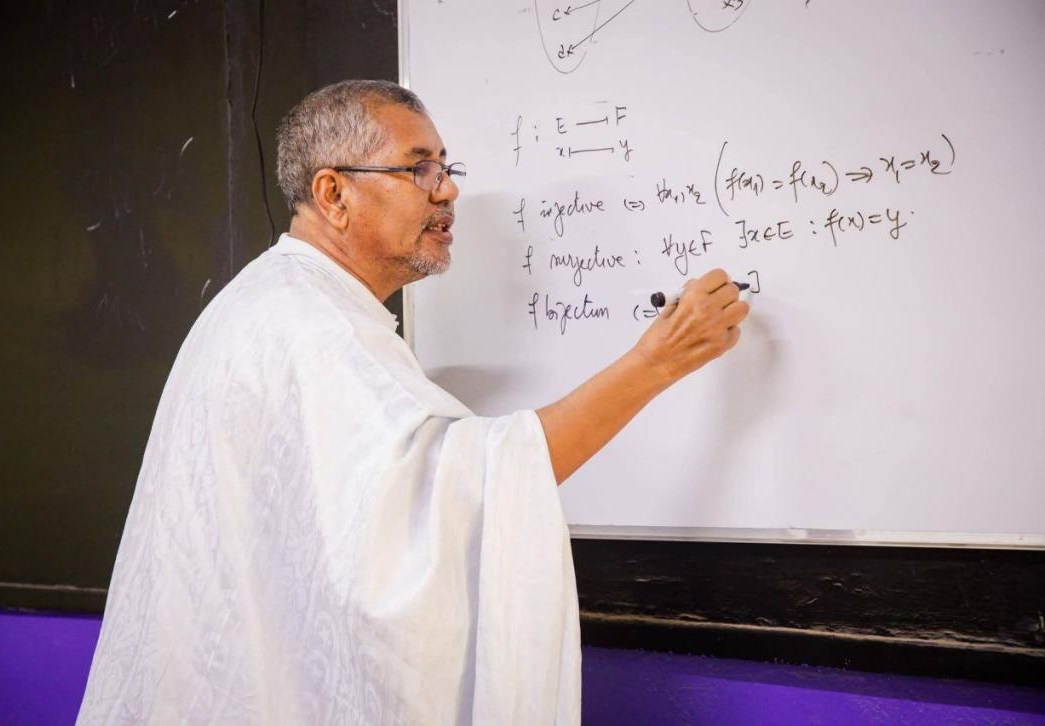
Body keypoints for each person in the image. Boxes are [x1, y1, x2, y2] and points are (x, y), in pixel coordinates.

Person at [78, 80, 748, 724]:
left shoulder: (286, 302)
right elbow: (467, 491)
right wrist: (656, 362)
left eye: (446, 167)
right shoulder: (308, 325)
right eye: (418, 167)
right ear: (333, 193)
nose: (447, 189)